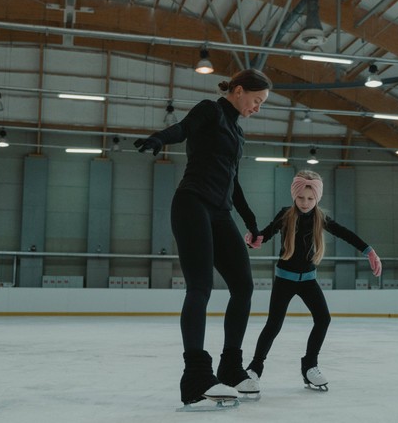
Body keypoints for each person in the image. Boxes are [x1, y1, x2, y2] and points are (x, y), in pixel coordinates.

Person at [134, 69, 272, 406]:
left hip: (221, 213)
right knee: (200, 288)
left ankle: (230, 368)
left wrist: (252, 222)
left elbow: (233, 182)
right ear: (238, 91)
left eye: (261, 104)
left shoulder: (237, 135)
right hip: (192, 203)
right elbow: (182, 129)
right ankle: (196, 376)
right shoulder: (210, 110)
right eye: (256, 100)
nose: (257, 107)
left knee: (243, 287)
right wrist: (158, 138)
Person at [244, 170, 382, 390]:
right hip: (284, 279)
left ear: (317, 198)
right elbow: (265, 234)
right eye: (301, 198)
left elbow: (345, 233)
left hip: (308, 280)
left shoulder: (321, 218)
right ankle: (254, 369)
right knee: (274, 324)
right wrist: (253, 240)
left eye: (310, 199)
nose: (305, 203)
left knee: (323, 319)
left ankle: (310, 366)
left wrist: (369, 251)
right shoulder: (285, 215)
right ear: (294, 196)